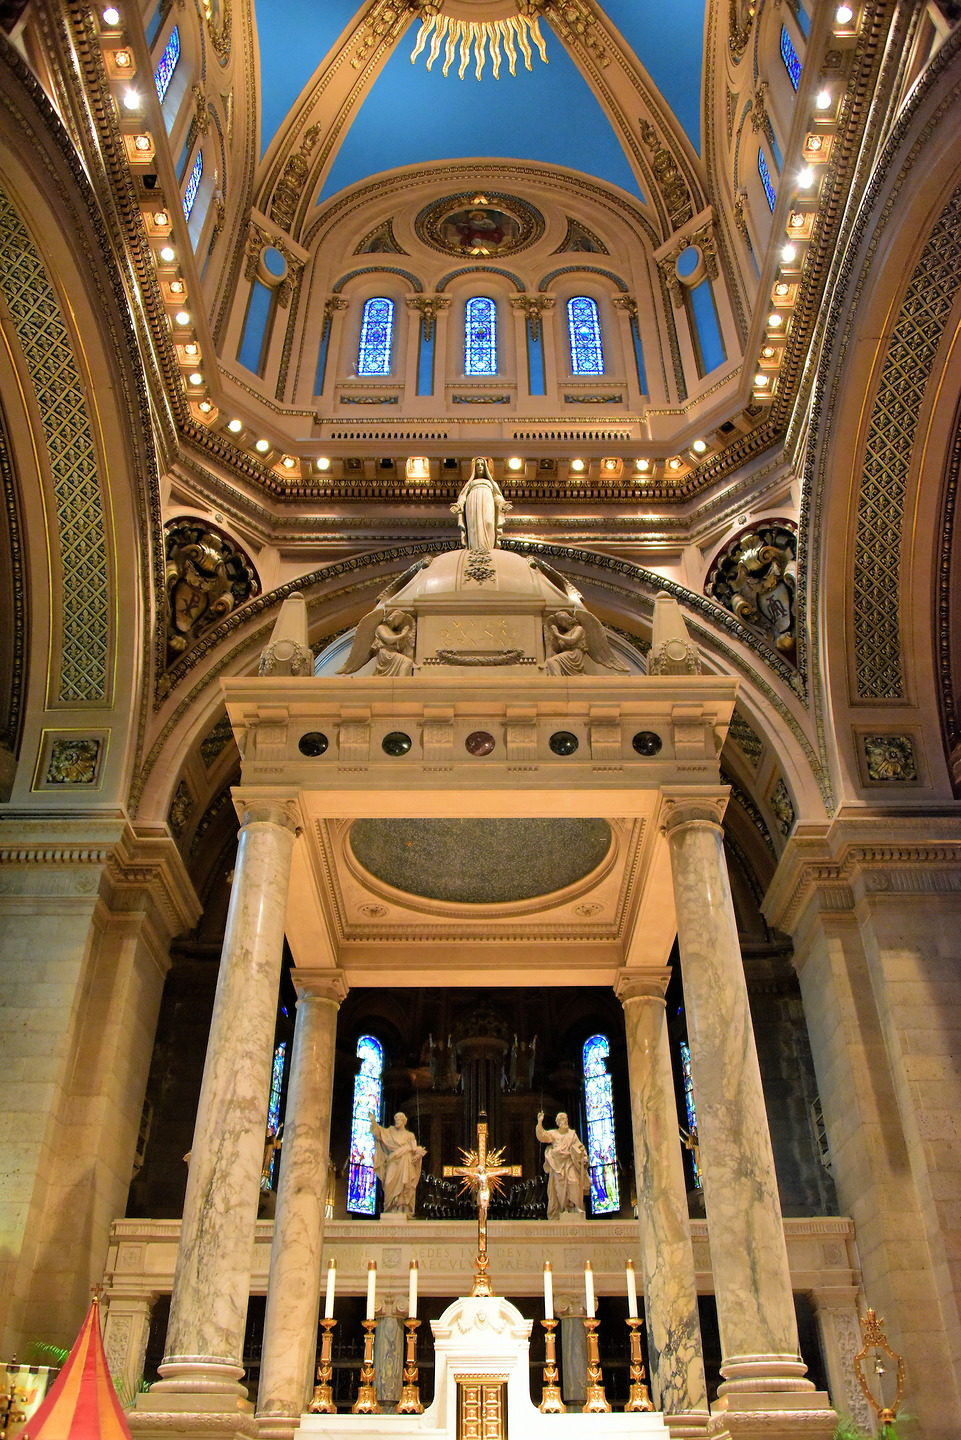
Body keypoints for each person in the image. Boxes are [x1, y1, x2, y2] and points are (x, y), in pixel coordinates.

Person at [370, 1111, 427, 1216]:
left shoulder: (410, 1135)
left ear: (404, 1121)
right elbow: (379, 1133)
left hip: (406, 1162)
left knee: (405, 1185)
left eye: (399, 1118)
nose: (397, 1120)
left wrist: (418, 1155)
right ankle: (390, 1208)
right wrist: (373, 1122)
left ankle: (402, 1208)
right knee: (388, 1182)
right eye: (395, 1118)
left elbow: (415, 1149)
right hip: (393, 1161)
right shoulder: (390, 1132)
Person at [535, 1111, 589, 1219]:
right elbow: (542, 1136)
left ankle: (575, 1207)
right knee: (560, 1189)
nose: (564, 1121)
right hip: (557, 1165)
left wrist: (584, 1156)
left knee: (573, 1182)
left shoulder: (572, 1134)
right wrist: (540, 1122)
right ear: (558, 1122)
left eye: (565, 1119)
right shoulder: (554, 1134)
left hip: (570, 1162)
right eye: (561, 1120)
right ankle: (563, 1209)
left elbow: (579, 1147)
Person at [450, 457, 511, 551]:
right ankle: (474, 549)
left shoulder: (491, 482)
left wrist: (502, 504)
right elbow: (463, 496)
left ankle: (488, 549)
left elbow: (496, 496)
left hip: (487, 501)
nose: (480, 467)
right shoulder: (470, 483)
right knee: (474, 525)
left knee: (489, 522)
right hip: (473, 503)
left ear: (486, 467)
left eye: (482, 464)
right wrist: (458, 505)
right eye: (477, 465)